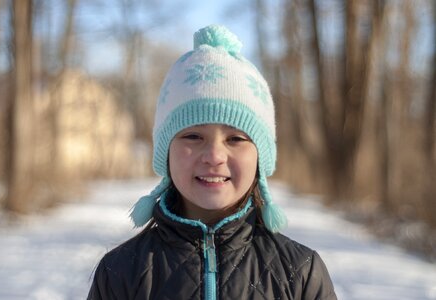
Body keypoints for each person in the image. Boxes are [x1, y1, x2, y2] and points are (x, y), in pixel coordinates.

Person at [87, 24, 337, 300]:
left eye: (235, 139)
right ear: (166, 151)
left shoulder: (301, 272)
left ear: (260, 157)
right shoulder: (121, 271)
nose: (214, 156)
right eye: (193, 136)